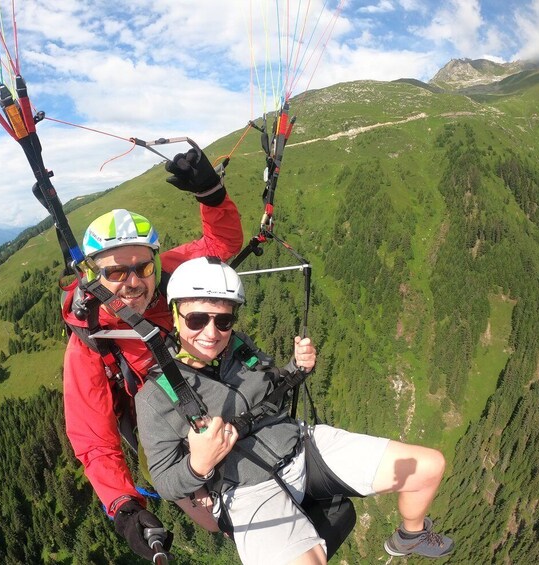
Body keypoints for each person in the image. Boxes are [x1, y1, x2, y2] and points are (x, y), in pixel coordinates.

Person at [135, 257, 455, 564]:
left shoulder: (238, 346)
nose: (211, 332)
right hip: (248, 490)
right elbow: (164, 481)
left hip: (303, 446)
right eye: (197, 319)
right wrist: (198, 464)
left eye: (223, 320)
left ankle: (411, 535)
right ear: (175, 314)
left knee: (427, 467)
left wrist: (297, 368)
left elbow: (271, 388)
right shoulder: (155, 397)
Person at [61, 149, 243, 560]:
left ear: (155, 264)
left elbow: (221, 243)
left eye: (141, 268)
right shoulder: (90, 341)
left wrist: (211, 195)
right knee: (228, 522)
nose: (131, 282)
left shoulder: (168, 276)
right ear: (93, 276)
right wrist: (124, 507)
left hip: (214, 393)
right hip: (167, 432)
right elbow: (93, 438)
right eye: (114, 272)